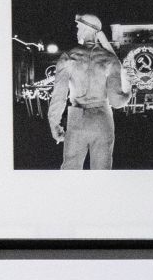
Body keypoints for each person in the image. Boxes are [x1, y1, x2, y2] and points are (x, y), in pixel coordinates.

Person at [48, 14, 128, 170]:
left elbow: (59, 95)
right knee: (101, 173)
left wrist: (54, 124)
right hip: (102, 118)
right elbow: (117, 102)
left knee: (71, 171)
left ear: (86, 29)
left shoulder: (68, 58)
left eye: (79, 27)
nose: (77, 30)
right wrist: (129, 93)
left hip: (77, 116)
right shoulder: (110, 59)